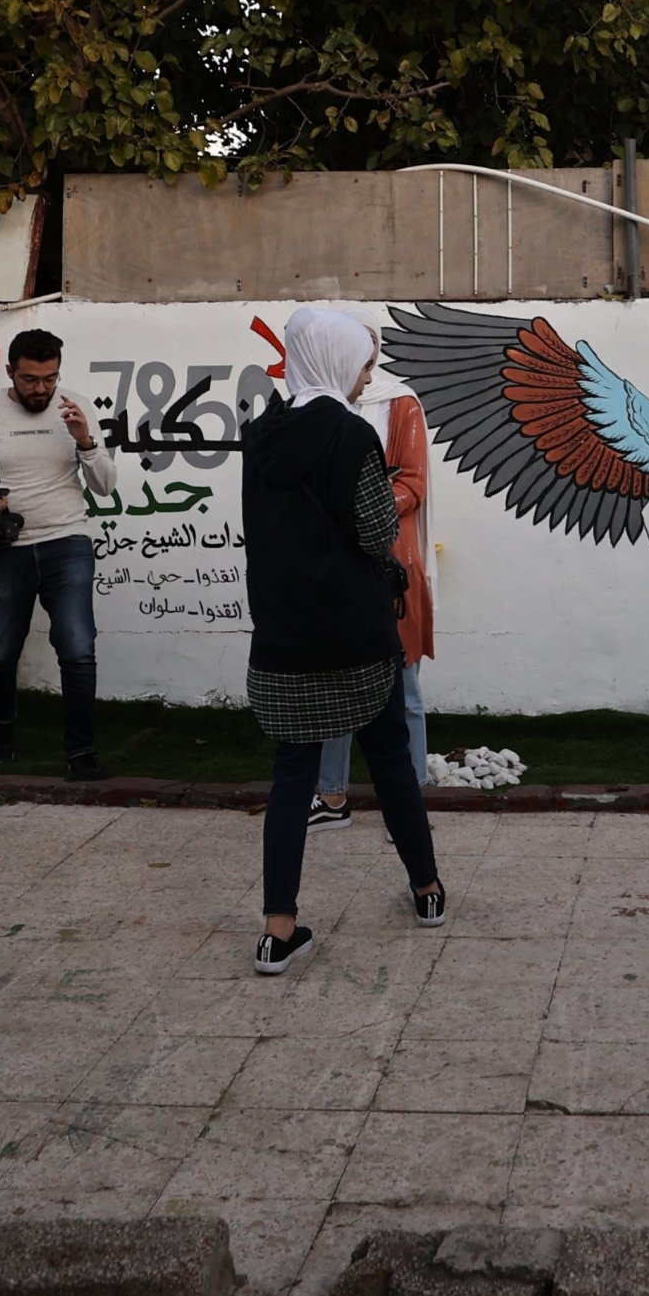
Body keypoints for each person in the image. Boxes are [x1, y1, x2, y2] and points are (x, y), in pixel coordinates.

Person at [241, 308, 447, 975]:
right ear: (336, 361)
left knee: (292, 775)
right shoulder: (353, 436)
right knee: (390, 762)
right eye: (362, 365)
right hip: (358, 633)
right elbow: (374, 528)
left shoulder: (260, 434)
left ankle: (279, 932)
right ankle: (427, 892)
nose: (366, 380)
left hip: (283, 632)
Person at [0, 328, 115, 781]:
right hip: (7, 547)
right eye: (30, 379)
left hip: (68, 542)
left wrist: (85, 440)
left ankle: (81, 751)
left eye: (49, 378)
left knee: (78, 648)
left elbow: (106, 486)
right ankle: (3, 723)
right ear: (11, 372)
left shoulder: (75, 407)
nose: (42, 389)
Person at [312, 357, 433, 827]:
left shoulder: (398, 402)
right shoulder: (317, 406)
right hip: (338, 565)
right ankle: (332, 797)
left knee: (404, 687)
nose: (363, 373)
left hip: (391, 562)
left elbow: (412, 483)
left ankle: (411, 805)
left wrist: (357, 508)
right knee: (336, 684)